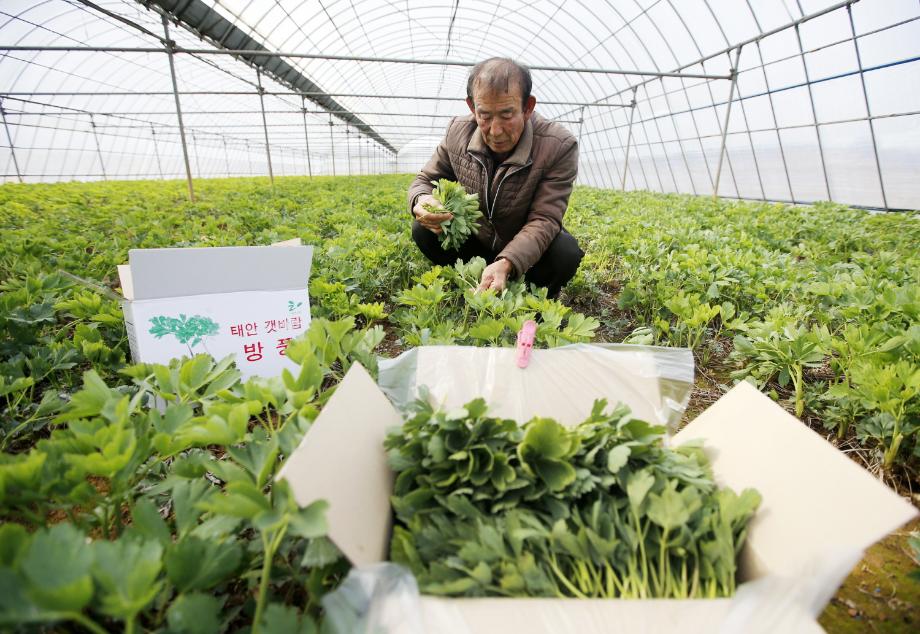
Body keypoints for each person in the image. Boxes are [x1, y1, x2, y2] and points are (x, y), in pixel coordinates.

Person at [408, 57, 584, 298]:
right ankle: (470, 281)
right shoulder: (457, 133)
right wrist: (422, 200)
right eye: (485, 115)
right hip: (476, 242)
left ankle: (528, 294)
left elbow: (545, 219)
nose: (496, 130)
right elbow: (425, 180)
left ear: (528, 107)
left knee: (565, 253)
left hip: (525, 251)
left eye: (507, 114)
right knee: (423, 230)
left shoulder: (558, 145)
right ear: (472, 107)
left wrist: (508, 260)